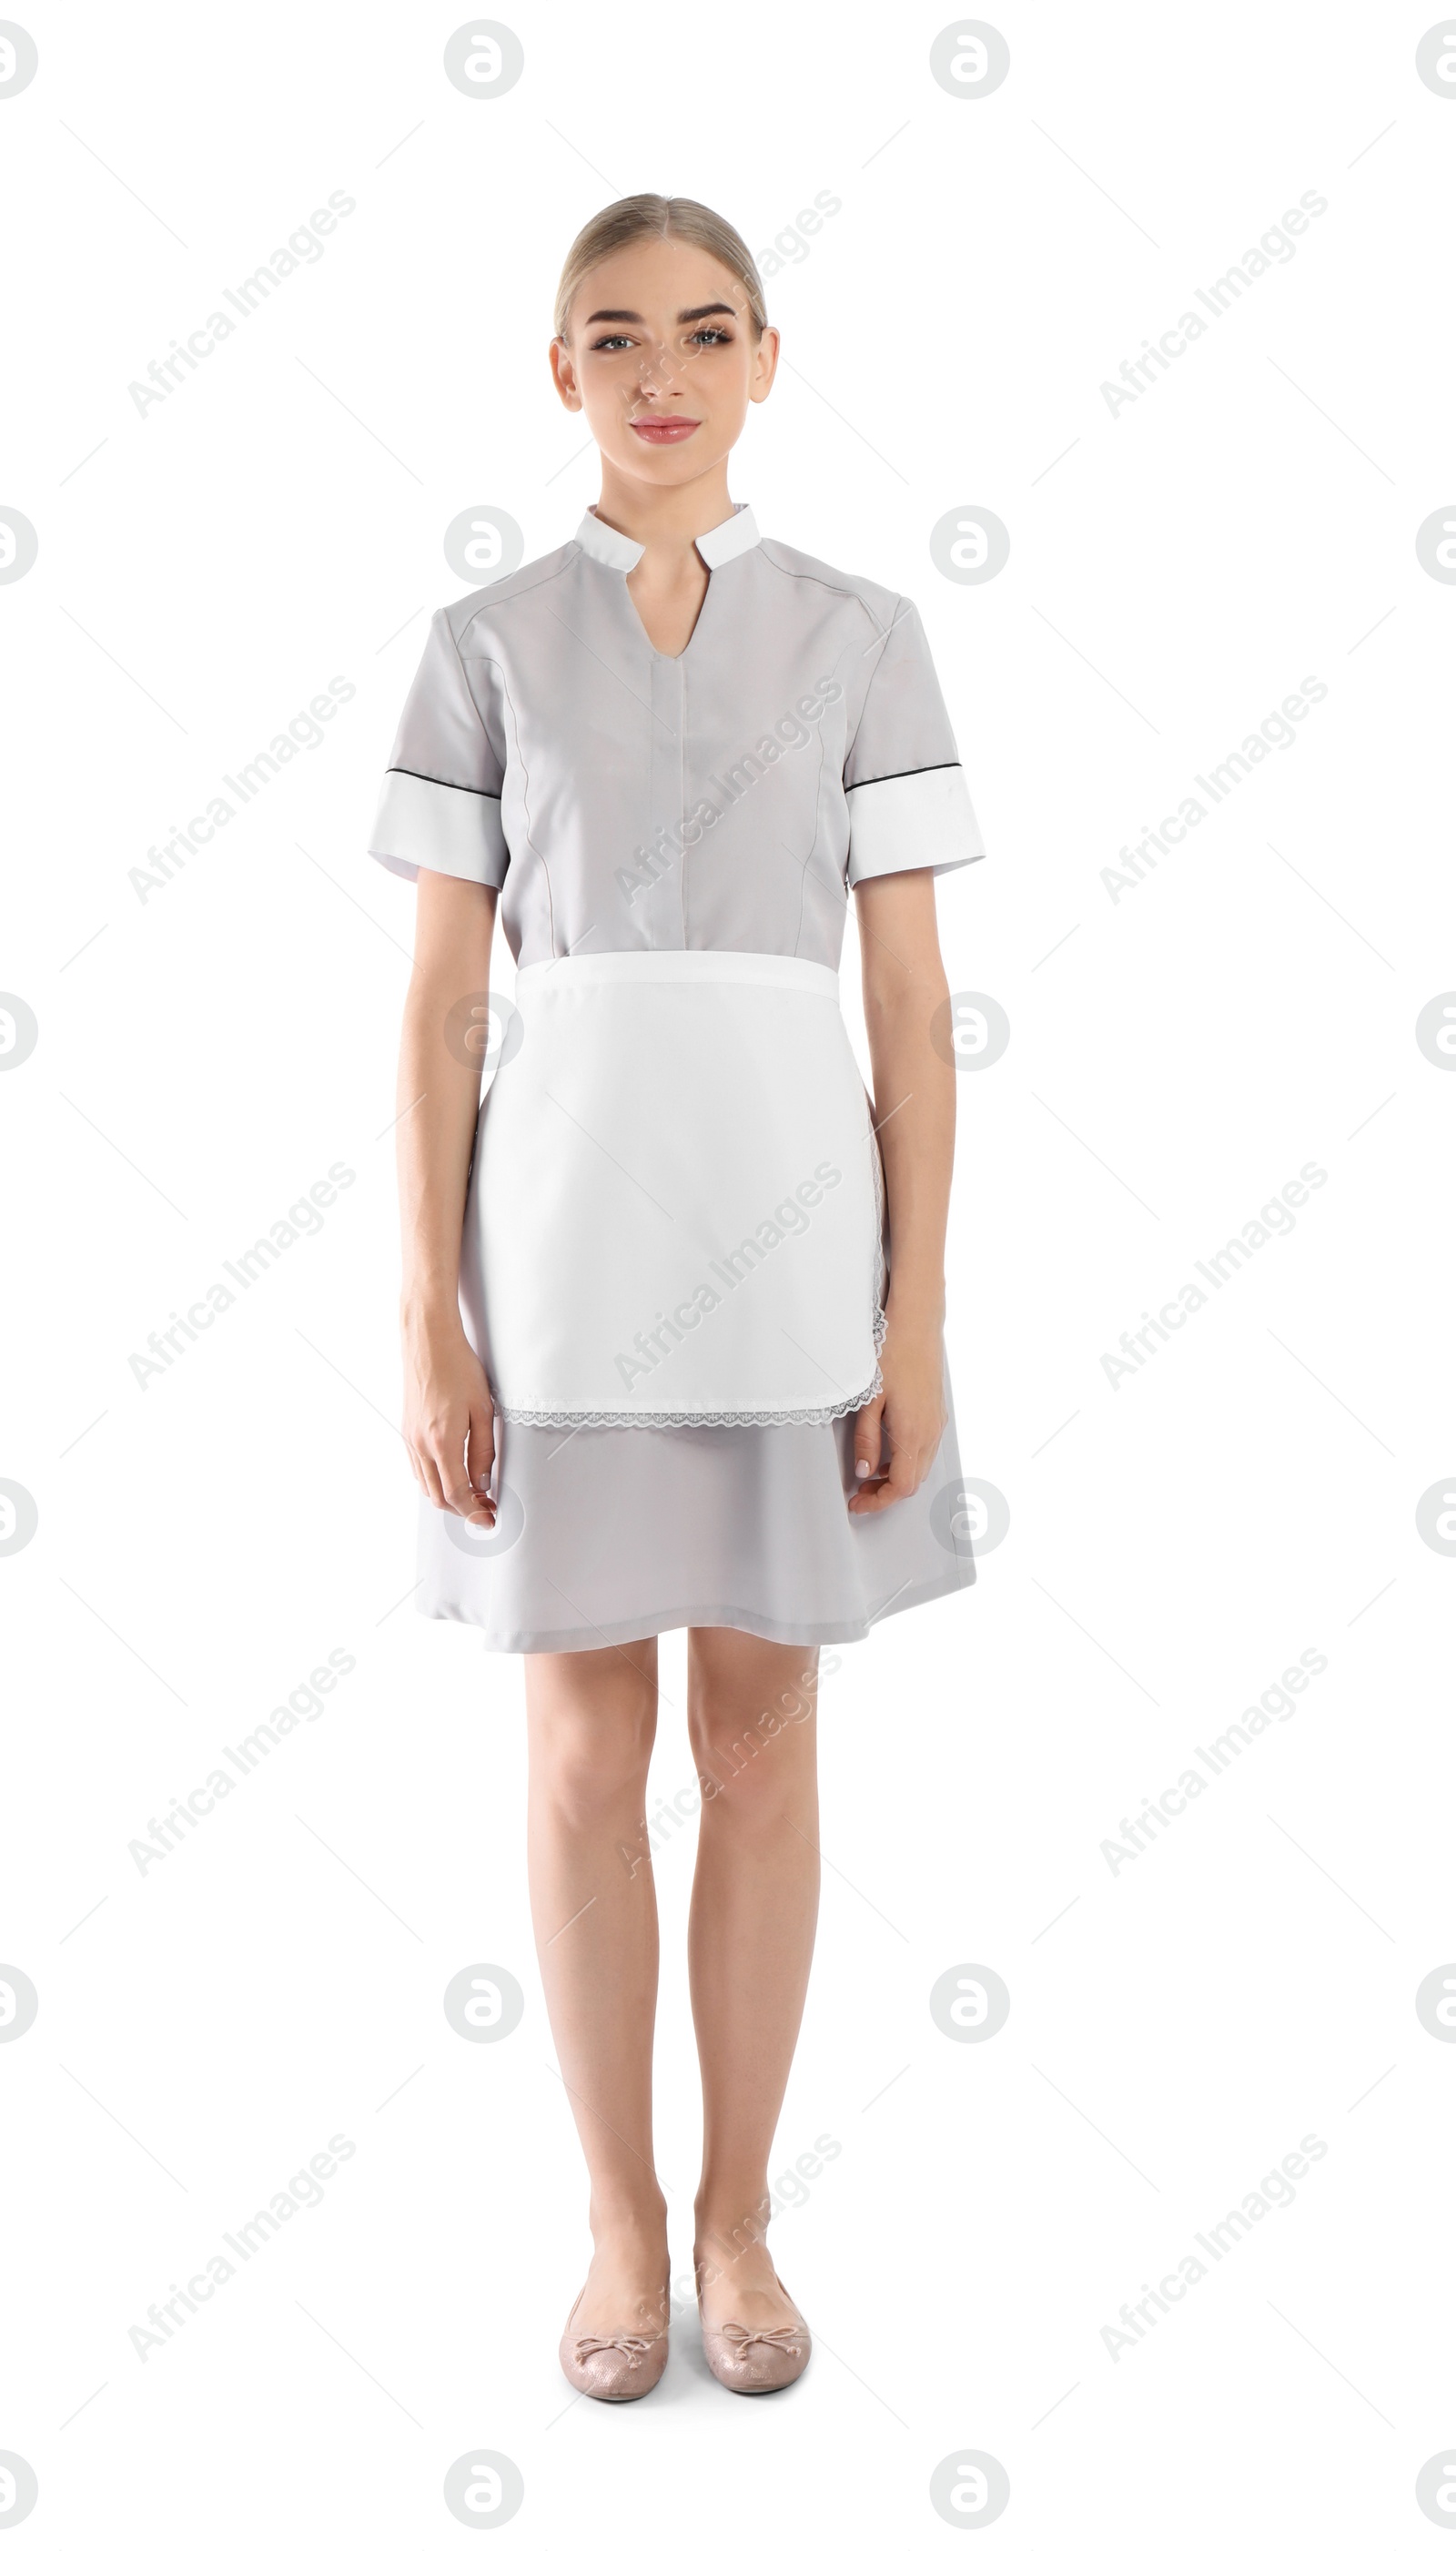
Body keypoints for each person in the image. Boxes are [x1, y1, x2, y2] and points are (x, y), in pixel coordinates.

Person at [369, 194, 984, 2401]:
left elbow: (907, 1003)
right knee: (572, 1746)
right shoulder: (485, 643)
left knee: (757, 1731)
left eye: (702, 332)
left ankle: (740, 2217)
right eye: (614, 335)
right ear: (559, 375)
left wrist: (912, 1320)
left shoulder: (861, 632)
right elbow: (444, 1005)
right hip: (550, 1262)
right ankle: (617, 2224)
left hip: (794, 1242)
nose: (660, 370)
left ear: (762, 359)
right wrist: (424, 1317)